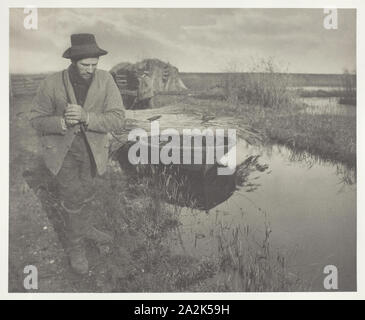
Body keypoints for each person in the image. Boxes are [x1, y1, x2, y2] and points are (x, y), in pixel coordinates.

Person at [29, 33, 125, 275]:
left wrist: (87, 117)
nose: (91, 70)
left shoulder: (106, 80)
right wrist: (61, 122)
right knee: (72, 199)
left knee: (88, 193)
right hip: (64, 152)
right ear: (73, 61)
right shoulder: (51, 83)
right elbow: (35, 120)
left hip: (94, 151)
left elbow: (118, 118)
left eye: (95, 64)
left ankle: (87, 228)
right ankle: (76, 248)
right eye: (85, 65)